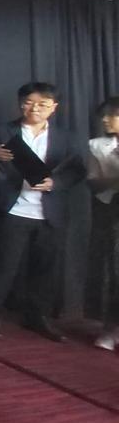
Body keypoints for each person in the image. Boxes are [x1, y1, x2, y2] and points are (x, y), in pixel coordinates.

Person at [0, 82, 90, 343]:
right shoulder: (1, 131)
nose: (35, 108)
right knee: (3, 267)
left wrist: (56, 183)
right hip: (12, 209)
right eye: (29, 103)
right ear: (20, 104)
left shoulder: (66, 137)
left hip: (50, 212)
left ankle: (38, 316)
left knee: (45, 269)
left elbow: (78, 170)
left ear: (54, 107)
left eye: (43, 104)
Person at [87, 97, 119, 351]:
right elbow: (94, 183)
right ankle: (111, 329)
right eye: (104, 116)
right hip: (113, 210)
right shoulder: (97, 145)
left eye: (112, 115)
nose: (105, 120)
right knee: (116, 272)